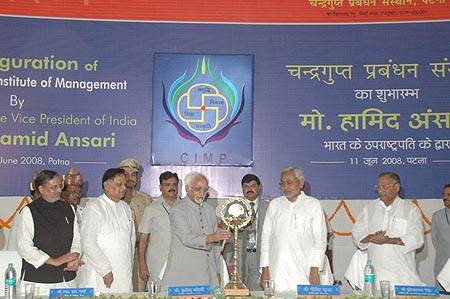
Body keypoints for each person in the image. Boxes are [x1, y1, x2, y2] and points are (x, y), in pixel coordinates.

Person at [260, 166, 332, 294]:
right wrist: (265, 268)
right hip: (277, 270)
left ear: (301, 183)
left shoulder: (313, 204)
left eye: (289, 183)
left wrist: (315, 268)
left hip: (304, 270)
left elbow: (320, 239)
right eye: (282, 183)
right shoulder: (274, 205)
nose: (285, 187)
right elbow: (265, 239)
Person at [352, 172, 425, 287]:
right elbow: (357, 233)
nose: (381, 190)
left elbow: (417, 239)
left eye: (385, 187)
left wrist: (389, 240)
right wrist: (371, 237)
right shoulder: (369, 208)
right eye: (378, 187)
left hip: (401, 276)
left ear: (397, 187)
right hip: (375, 274)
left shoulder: (410, 209)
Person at [16, 170, 83, 295]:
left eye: (60, 186)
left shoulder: (68, 208)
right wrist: (54, 261)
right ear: (41, 189)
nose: (59, 190)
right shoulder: (29, 211)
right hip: (39, 282)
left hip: (66, 280)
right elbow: (24, 247)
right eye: (54, 187)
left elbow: (77, 239)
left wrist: (74, 257)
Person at [162, 172, 230, 288]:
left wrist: (217, 271)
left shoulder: (209, 210)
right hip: (184, 273)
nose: (202, 193)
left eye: (205, 189)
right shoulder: (178, 210)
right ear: (187, 189)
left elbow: (216, 247)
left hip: (208, 274)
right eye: (198, 189)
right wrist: (212, 237)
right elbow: (186, 238)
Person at [79, 168, 135, 293]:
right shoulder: (94, 208)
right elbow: (88, 242)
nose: (123, 188)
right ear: (106, 185)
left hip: (123, 276)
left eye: (124, 184)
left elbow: (130, 242)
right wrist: (105, 270)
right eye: (119, 184)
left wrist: (128, 269)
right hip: (100, 275)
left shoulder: (126, 208)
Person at [224, 174, 268, 291]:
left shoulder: (269, 208)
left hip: (259, 259)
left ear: (259, 187)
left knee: (258, 294)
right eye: (246, 186)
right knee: (238, 293)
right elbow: (228, 240)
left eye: (253, 186)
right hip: (239, 259)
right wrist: (229, 264)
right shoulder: (233, 209)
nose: (249, 189)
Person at [138, 171, 181, 283]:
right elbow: (143, 239)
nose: (172, 188)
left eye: (174, 184)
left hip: (181, 263)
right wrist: (142, 264)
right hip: (157, 263)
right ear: (160, 187)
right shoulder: (151, 209)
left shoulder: (186, 208)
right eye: (167, 185)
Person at [118, 158, 152, 292]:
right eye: (126, 174)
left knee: (138, 289)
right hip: (118, 252)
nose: (130, 178)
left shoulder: (145, 199)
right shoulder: (113, 198)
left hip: (139, 252)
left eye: (134, 175)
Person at [6, 171, 40, 250]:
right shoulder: (25, 212)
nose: (41, 197)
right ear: (32, 196)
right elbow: (14, 240)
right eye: (38, 194)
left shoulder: (53, 211)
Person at [431, 183, 450, 294]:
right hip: (443, 267)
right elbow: (435, 240)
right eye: (443, 194)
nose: (444, 197)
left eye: (448, 194)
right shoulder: (437, 216)